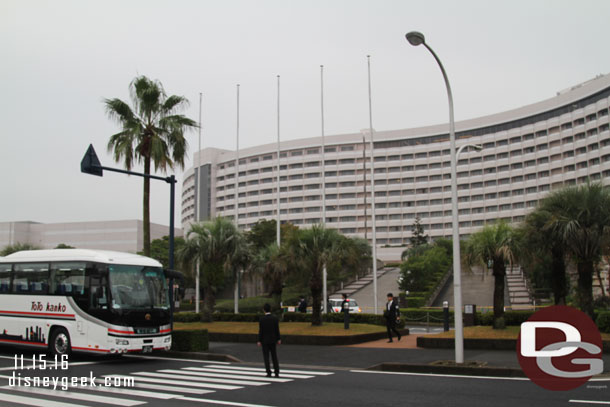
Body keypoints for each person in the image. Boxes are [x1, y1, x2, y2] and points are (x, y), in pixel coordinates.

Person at [257, 303, 281, 377]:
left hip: (265, 340)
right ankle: (276, 372)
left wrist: (259, 340)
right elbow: (277, 330)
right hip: (273, 340)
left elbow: (261, 331)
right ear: (270, 309)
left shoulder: (262, 319)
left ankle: (268, 372)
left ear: (264, 310)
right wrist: (279, 338)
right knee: (274, 356)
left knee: (266, 356)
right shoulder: (275, 318)